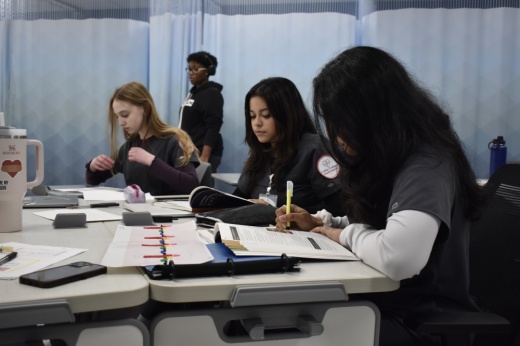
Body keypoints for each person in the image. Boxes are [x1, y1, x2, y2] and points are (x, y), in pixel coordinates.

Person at [274, 47, 486, 345]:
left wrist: (343, 235)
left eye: (342, 123)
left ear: (372, 115)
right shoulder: (395, 157)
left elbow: (398, 257)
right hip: (385, 305)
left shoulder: (428, 163)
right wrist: (323, 223)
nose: (337, 137)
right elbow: (381, 226)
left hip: (423, 323)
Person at [233, 77, 343, 216]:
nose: (257, 123)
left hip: (305, 235)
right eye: (252, 116)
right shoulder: (260, 154)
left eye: (266, 115)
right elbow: (238, 197)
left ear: (286, 114)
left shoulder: (316, 149)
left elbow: (339, 211)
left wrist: (271, 212)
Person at [86, 81, 199, 196]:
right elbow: (93, 181)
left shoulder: (175, 141)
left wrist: (151, 161)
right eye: (117, 117)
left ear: (144, 108)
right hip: (137, 212)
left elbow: (192, 185)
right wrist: (93, 166)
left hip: (168, 212)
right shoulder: (128, 147)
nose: (121, 122)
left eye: (125, 115)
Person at [179, 51, 224, 173]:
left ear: (207, 71)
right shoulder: (193, 93)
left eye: (195, 69)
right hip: (190, 151)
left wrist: (204, 157)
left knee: (200, 188)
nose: (191, 73)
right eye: (189, 69)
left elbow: (213, 126)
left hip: (202, 153)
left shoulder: (212, 94)